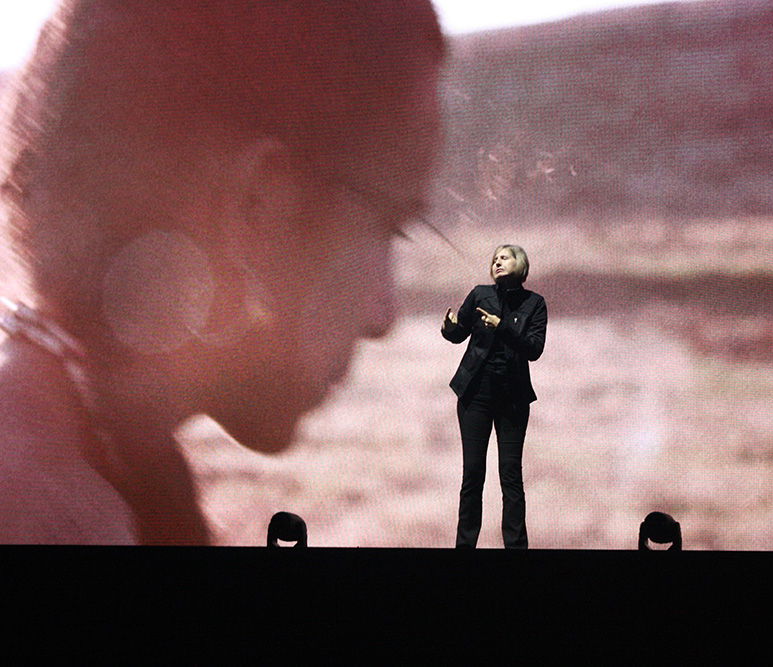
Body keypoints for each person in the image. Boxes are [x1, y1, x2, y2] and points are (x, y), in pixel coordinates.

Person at [0, 0, 445, 544]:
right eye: (388, 226)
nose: (385, 314)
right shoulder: (46, 518)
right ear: (261, 204)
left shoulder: (84, 454)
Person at [442, 245, 547, 548]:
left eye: (505, 257)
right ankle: (465, 547)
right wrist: (448, 327)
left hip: (513, 398)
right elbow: (458, 332)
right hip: (475, 394)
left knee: (510, 475)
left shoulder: (534, 303)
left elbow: (534, 349)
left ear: (521, 264)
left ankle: (516, 548)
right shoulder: (479, 294)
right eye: (494, 259)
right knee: (473, 474)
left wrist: (502, 327)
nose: (497, 262)